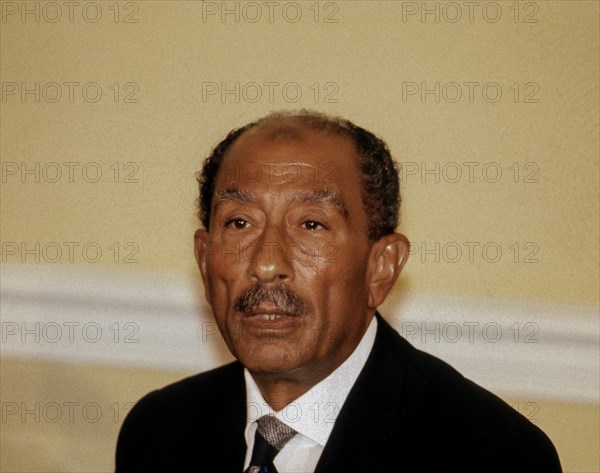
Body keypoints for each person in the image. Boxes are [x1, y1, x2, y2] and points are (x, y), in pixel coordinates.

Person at [115, 110, 562, 472]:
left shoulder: (491, 458)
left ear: (380, 269)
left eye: (311, 224)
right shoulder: (159, 431)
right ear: (204, 256)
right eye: (239, 223)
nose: (267, 264)